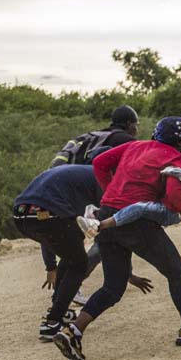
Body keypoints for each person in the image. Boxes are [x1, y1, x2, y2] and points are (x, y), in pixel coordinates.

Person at [52, 117, 181, 360]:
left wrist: (112, 193)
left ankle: (73, 331)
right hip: (135, 223)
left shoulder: (135, 146)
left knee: (113, 286)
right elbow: (174, 193)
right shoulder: (174, 158)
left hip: (107, 213)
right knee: (177, 272)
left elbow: (100, 162)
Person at [12, 165, 152, 342]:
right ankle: (53, 321)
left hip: (21, 215)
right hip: (49, 215)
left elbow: (46, 234)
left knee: (72, 252)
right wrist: (127, 273)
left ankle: (57, 311)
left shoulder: (76, 176)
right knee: (79, 264)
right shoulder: (102, 179)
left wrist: (51, 267)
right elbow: (112, 223)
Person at [41, 104, 141, 303]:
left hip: (54, 190)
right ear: (129, 125)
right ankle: (70, 287)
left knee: (70, 238)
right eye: (136, 125)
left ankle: (64, 289)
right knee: (106, 235)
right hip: (84, 191)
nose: (136, 130)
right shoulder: (124, 139)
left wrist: (49, 265)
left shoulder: (89, 136)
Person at [77, 135, 181, 236]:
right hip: (166, 208)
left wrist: (172, 170)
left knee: (140, 208)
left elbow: (179, 189)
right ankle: (96, 217)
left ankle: (99, 225)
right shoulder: (180, 165)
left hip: (172, 212)